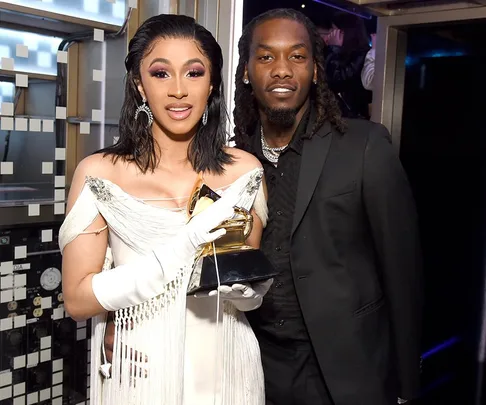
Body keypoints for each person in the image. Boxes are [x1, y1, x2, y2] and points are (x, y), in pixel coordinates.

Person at [59, 14, 271, 405]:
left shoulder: (245, 172)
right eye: (160, 73)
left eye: (193, 73)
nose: (178, 90)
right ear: (140, 85)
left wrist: (253, 289)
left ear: (211, 83)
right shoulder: (99, 173)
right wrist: (180, 248)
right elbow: (76, 300)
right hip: (141, 369)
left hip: (229, 365)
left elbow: (242, 286)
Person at [232, 8, 422, 405]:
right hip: (251, 365)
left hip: (343, 369)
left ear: (316, 69)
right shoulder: (231, 163)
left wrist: (405, 384)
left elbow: (403, 271)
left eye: (297, 56)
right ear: (247, 71)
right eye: (266, 57)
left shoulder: (365, 146)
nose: (281, 70)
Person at [323, 12, 372, 119]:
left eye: (333, 30)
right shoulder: (341, 54)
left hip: (353, 120)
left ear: (344, 32)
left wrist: (334, 49)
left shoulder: (362, 55)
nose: (330, 34)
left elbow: (337, 81)